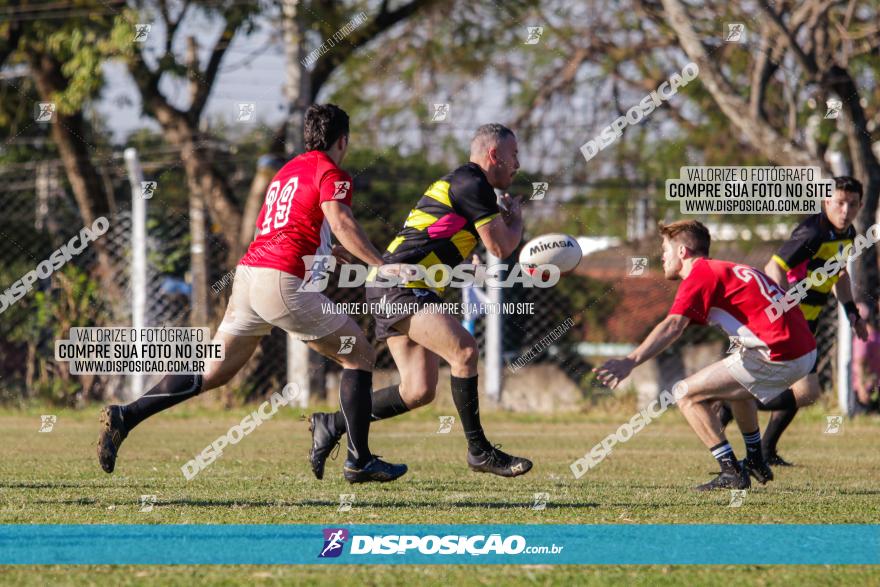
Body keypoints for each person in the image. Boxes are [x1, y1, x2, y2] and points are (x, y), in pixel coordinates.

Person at [97, 104, 407, 484]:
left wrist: (329, 251)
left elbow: (292, 224)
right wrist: (379, 263)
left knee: (212, 373)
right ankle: (359, 461)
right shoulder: (332, 171)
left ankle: (125, 416)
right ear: (343, 140)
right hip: (281, 280)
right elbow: (340, 220)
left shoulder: (287, 171)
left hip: (250, 275)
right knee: (358, 353)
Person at [308, 123, 533, 479]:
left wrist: (466, 255)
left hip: (393, 284)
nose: (518, 163)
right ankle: (479, 451)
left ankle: (332, 423)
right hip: (400, 285)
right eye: (514, 155)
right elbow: (501, 247)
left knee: (419, 390)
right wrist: (517, 220)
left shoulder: (465, 184)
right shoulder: (473, 183)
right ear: (494, 155)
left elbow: (443, 234)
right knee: (464, 352)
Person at [594, 220, 817, 490]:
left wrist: (630, 360)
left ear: (683, 252)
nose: (662, 256)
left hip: (779, 353)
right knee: (737, 386)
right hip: (800, 350)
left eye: (665, 249)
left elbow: (673, 325)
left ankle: (731, 471)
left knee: (684, 393)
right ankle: (756, 458)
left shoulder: (701, 274)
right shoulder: (728, 268)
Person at [717, 176, 869, 465]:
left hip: (806, 326)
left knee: (802, 392)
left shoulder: (848, 234)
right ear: (827, 202)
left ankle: (760, 445)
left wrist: (852, 313)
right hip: (784, 326)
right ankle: (733, 405)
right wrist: (784, 311)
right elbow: (773, 267)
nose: (845, 210)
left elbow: (839, 275)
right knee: (804, 392)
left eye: (851, 204)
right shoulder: (813, 232)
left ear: (861, 205)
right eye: (839, 203)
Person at [853, 302, 880, 413]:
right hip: (865, 389)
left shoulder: (873, 337)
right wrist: (861, 388)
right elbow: (860, 364)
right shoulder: (866, 338)